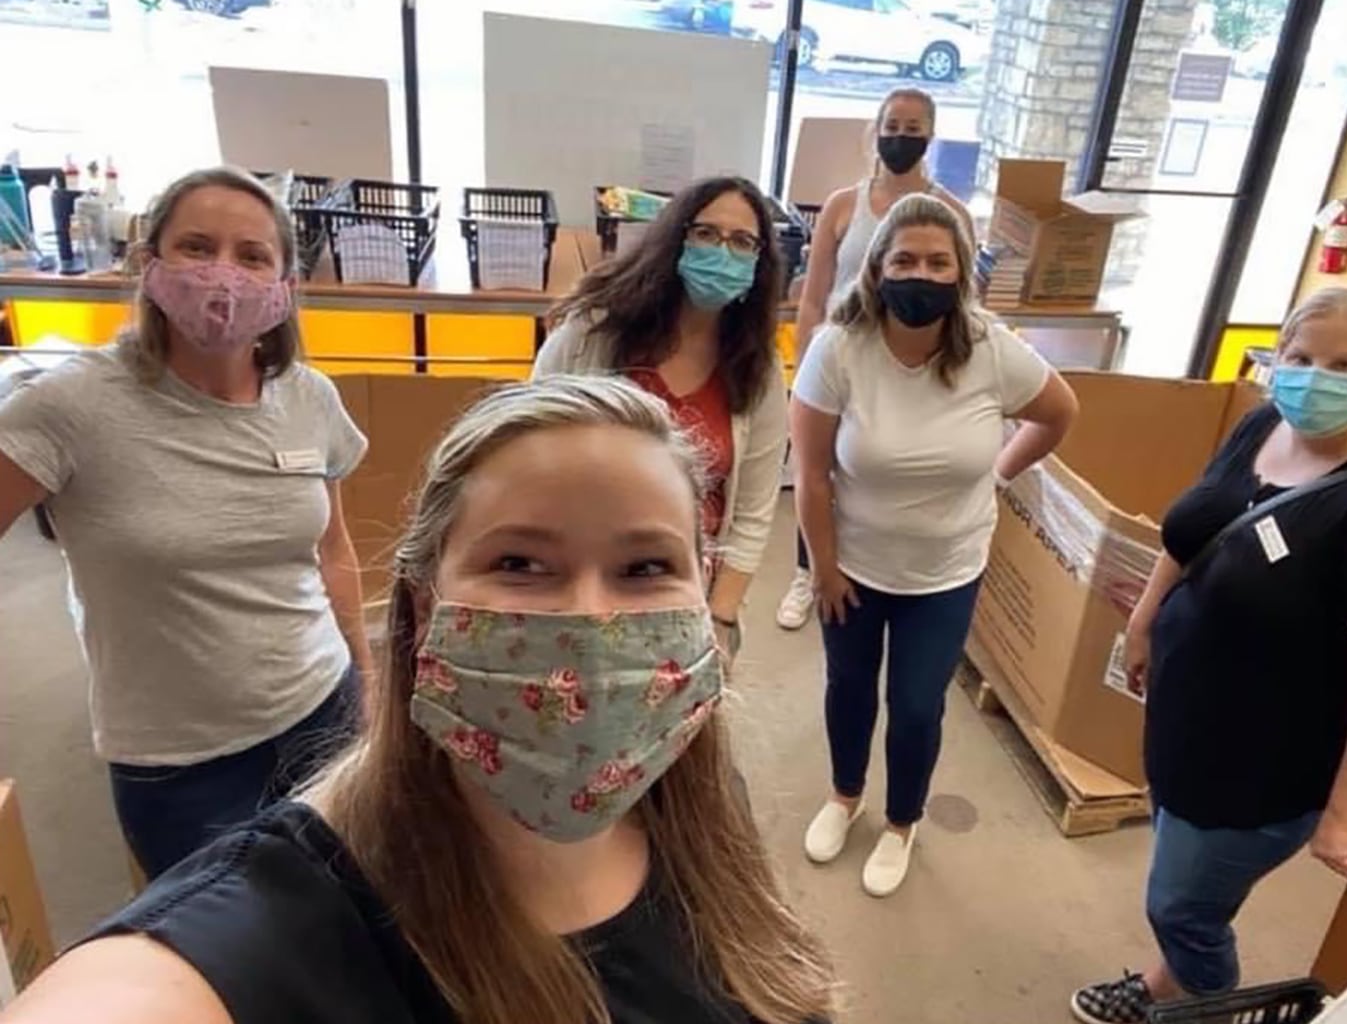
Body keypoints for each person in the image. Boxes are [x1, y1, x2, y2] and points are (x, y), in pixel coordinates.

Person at [2, 375, 836, 1024]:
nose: (592, 616)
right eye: (519, 563)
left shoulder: (696, 807)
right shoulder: (280, 924)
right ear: (425, 604)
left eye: (646, 567)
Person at [1070, 288, 1347, 1023]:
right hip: (1190, 723)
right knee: (1189, 877)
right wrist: (1146, 622)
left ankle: (1204, 1003)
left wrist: (1342, 817)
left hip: (1263, 766)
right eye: (1301, 358)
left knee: (1181, 906)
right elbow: (1192, 529)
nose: (1316, 376)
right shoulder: (1262, 425)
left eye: (1343, 363)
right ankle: (1166, 983)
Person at [0, 166, 368, 880]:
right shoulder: (71, 407)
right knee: (223, 955)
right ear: (151, 264)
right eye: (197, 247)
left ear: (286, 286)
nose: (223, 275)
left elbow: (334, 552)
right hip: (178, 763)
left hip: (323, 711)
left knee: (340, 918)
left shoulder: (308, 398)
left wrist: (367, 680)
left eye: (253, 255)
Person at [790, 194, 1077, 897]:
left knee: (917, 705)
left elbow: (1058, 412)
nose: (921, 273)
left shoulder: (989, 350)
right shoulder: (839, 348)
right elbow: (811, 473)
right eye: (905, 259)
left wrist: (999, 473)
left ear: (960, 273)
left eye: (938, 261)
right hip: (852, 566)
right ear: (878, 268)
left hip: (945, 572)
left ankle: (901, 823)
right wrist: (822, 568)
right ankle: (844, 794)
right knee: (849, 688)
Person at [533, 176, 786, 666]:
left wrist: (720, 619)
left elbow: (754, 511)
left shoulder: (759, 366)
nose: (723, 252)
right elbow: (526, 447)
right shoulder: (593, 332)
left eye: (742, 242)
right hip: (581, 580)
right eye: (706, 235)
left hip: (687, 593)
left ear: (759, 263)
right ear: (676, 239)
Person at [778, 87, 974, 631]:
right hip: (838, 362)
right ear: (876, 130)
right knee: (817, 468)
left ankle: (899, 575)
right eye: (893, 125)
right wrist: (804, 363)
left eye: (914, 129)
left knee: (879, 468)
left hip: (909, 364)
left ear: (930, 136)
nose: (901, 138)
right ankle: (807, 569)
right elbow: (814, 295)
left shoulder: (950, 213)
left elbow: (963, 300)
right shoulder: (844, 204)